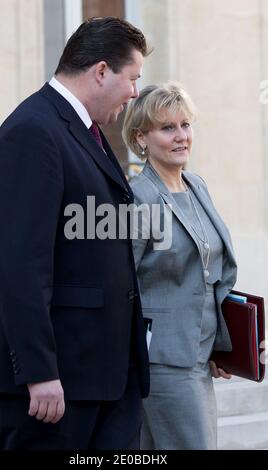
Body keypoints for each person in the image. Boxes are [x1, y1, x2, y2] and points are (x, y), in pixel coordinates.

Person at [0, 17, 151, 450]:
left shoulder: (85, 131)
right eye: (133, 79)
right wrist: (39, 371)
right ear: (102, 71)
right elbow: (20, 265)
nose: (135, 93)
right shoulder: (33, 132)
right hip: (56, 384)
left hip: (103, 374)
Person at [122, 82, 237, 450]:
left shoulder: (197, 186)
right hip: (163, 361)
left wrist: (223, 343)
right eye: (167, 128)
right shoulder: (137, 198)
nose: (181, 136)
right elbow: (124, 283)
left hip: (201, 358)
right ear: (141, 138)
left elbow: (210, 272)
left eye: (185, 125)